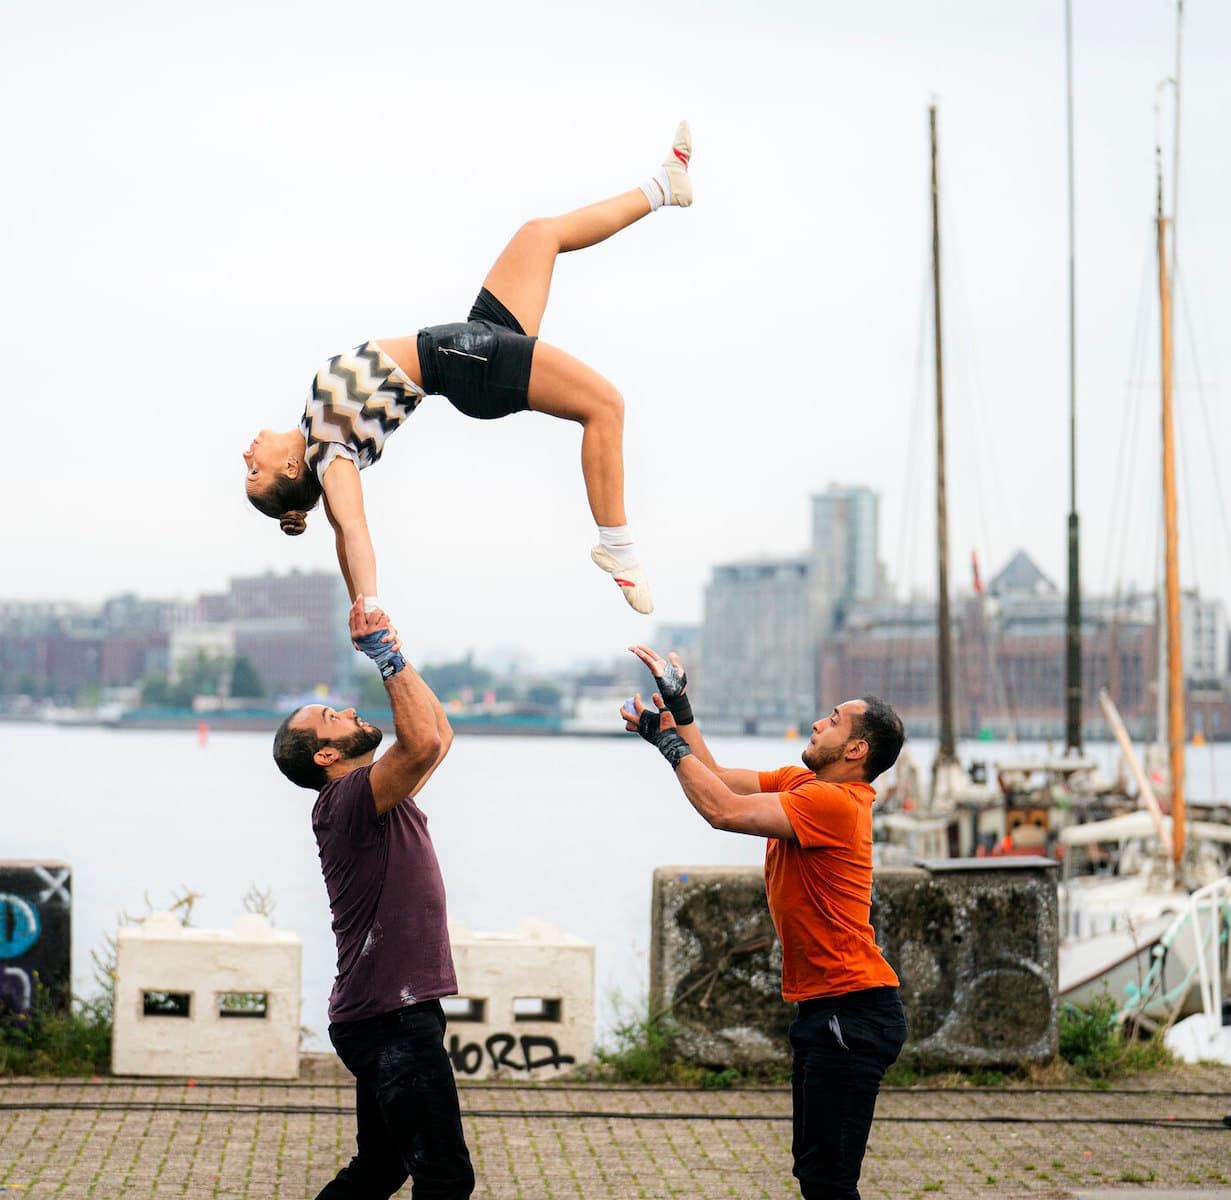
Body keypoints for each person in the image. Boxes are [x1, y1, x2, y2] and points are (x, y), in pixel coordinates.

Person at [243, 122, 697, 616]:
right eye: (252, 470)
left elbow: (337, 536)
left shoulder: (314, 427)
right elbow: (353, 530)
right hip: (466, 363)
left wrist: (356, 597)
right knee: (606, 405)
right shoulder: (330, 453)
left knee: (539, 234)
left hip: (469, 339)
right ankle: (619, 549)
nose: (247, 453)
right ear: (289, 470)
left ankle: (664, 185)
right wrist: (370, 607)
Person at [619, 644, 907, 1200]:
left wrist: (666, 739)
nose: (818, 722)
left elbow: (722, 812)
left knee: (828, 1181)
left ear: (856, 747)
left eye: (833, 720)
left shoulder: (837, 804)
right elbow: (721, 780)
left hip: (852, 1010)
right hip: (828, 1009)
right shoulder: (805, 786)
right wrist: (680, 706)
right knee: (816, 1176)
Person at [271, 598, 472, 1199]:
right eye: (334, 716)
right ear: (326, 756)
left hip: (389, 1012)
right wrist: (383, 654)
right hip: (389, 1018)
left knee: (382, 1168)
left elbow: (435, 737)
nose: (350, 709)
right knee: (444, 1178)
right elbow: (418, 746)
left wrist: (396, 651)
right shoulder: (345, 803)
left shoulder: (376, 795)